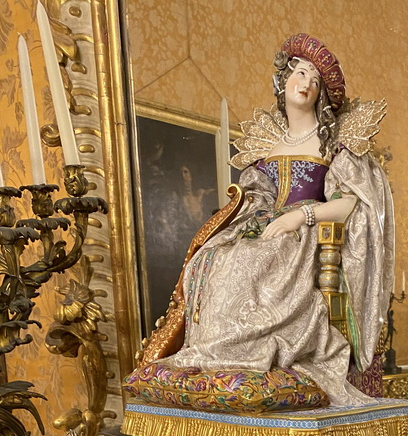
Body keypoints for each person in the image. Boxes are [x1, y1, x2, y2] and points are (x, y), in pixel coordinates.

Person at [158, 34, 394, 408]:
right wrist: (251, 219)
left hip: (303, 233)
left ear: (322, 96)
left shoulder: (334, 145)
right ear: (283, 81)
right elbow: (257, 196)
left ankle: (248, 351)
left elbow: (350, 203)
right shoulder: (269, 144)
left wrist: (301, 215)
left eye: (315, 81)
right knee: (214, 258)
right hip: (266, 224)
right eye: (301, 73)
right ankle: (216, 351)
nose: (306, 84)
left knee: (257, 259)